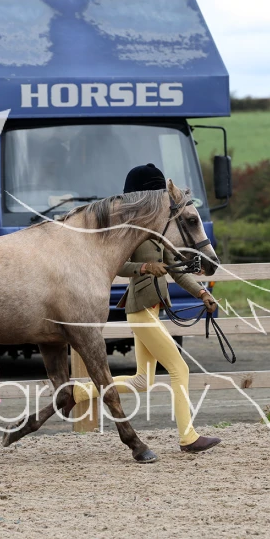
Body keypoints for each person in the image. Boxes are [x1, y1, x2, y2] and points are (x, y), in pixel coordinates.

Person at [71, 164, 222, 453]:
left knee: (143, 380)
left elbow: (176, 270)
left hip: (152, 308)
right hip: (139, 310)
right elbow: (116, 265)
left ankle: (79, 392)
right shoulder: (128, 231)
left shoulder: (160, 230)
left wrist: (202, 292)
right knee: (179, 368)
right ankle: (188, 437)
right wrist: (144, 266)